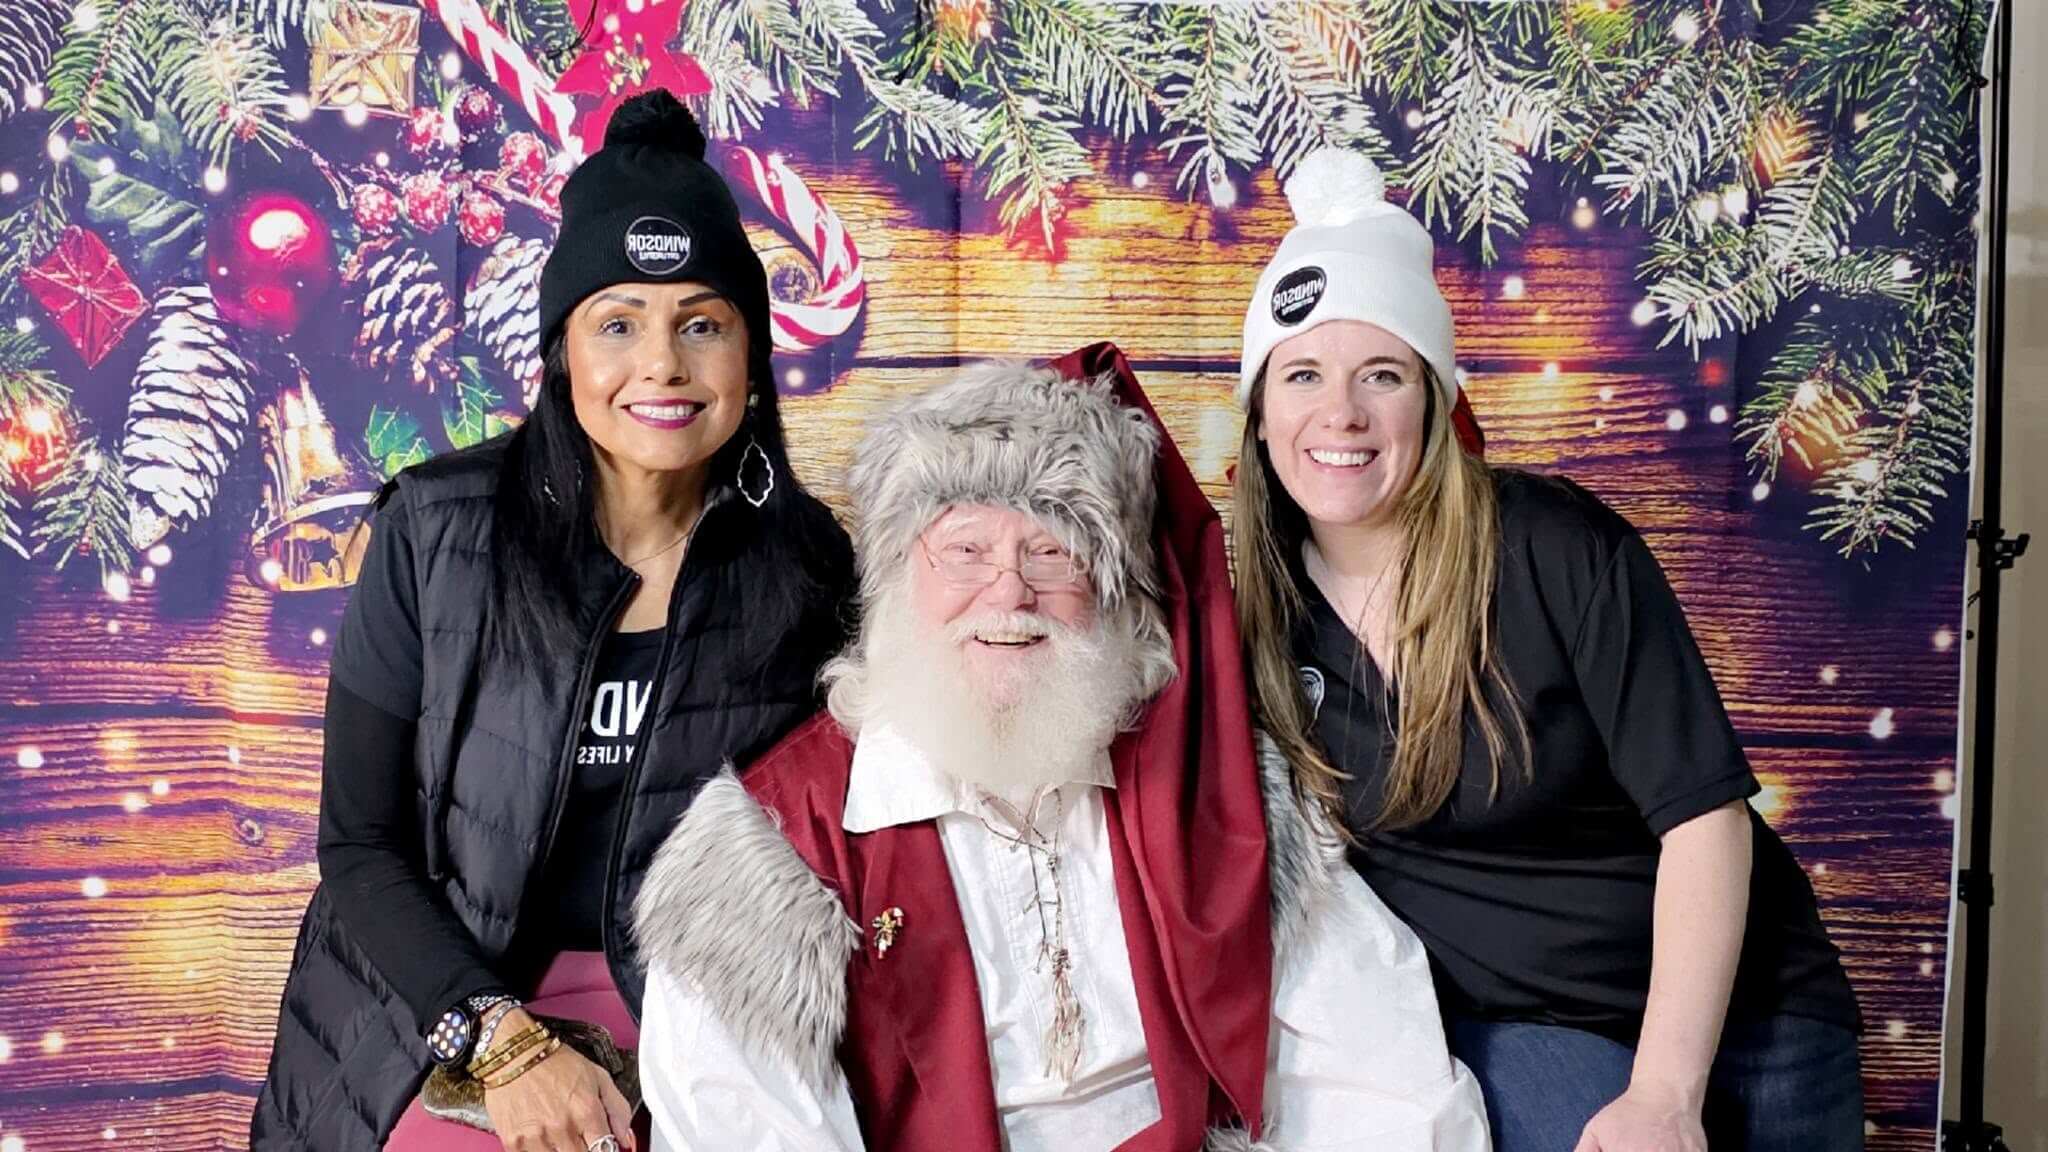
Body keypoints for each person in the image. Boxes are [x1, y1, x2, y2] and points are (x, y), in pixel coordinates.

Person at [630, 345, 1490, 1152]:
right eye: (965, 552)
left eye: (1052, 552)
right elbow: (741, 1127)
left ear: (1115, 599)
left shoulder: (1211, 789)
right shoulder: (769, 853)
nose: (1009, 591)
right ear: (896, 582)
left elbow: (1376, 1055)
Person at [251, 90, 855, 1152]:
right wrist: (499, 1038)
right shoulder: (433, 532)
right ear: (560, 352)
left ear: (751, 360)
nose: (661, 365)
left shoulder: (806, 567)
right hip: (442, 985)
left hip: (689, 1003)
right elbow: (358, 844)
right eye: (617, 323)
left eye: (701, 324)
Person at [1229, 147, 1865, 1152]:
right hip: (1519, 1027)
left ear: (1435, 404)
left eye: (1381, 375)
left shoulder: (1551, 546)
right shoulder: (1246, 614)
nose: (1338, 414)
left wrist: (1664, 1093)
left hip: (1741, 1010)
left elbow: (1704, 820)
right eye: (1301, 373)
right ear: (1260, 417)